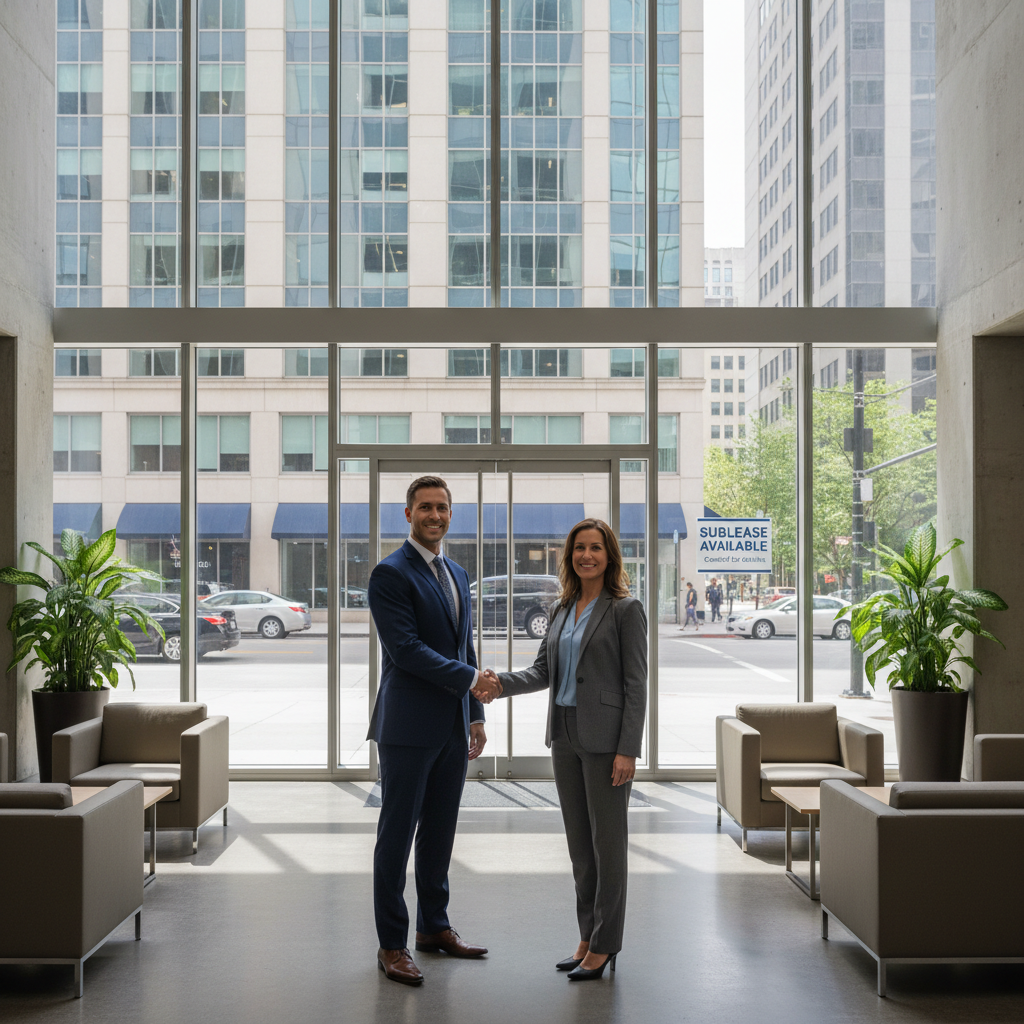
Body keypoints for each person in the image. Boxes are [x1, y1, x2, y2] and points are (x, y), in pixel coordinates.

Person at [472, 519, 647, 981]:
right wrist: (498, 685)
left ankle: (607, 945)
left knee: (608, 845)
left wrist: (628, 749)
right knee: (580, 847)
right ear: (568, 556)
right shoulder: (562, 609)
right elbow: (542, 671)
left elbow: (636, 685)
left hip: (607, 741)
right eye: (578, 549)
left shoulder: (626, 610)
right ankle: (588, 936)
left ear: (609, 555)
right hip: (564, 735)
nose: (586, 556)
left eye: (595, 548)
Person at [366, 475, 489, 985]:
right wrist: (470, 681)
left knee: (439, 834)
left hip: (452, 725)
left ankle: (433, 928)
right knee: (397, 837)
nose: (434, 515)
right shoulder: (389, 574)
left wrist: (476, 712)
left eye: (442, 508)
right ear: (409, 514)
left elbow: (464, 645)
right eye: (425, 508)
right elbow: (406, 650)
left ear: (450, 515)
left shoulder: (456, 572)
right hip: (408, 727)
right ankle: (392, 944)